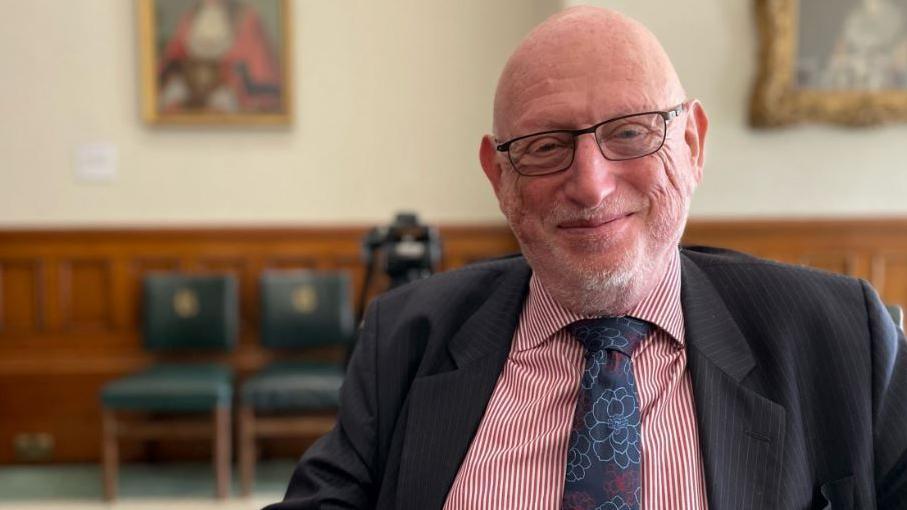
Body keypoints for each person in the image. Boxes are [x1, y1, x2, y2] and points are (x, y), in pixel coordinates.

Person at [266, 7, 907, 510]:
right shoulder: (405, 339)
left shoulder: (845, 337)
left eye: (630, 131)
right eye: (546, 145)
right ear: (498, 177)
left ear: (691, 143)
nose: (591, 185)